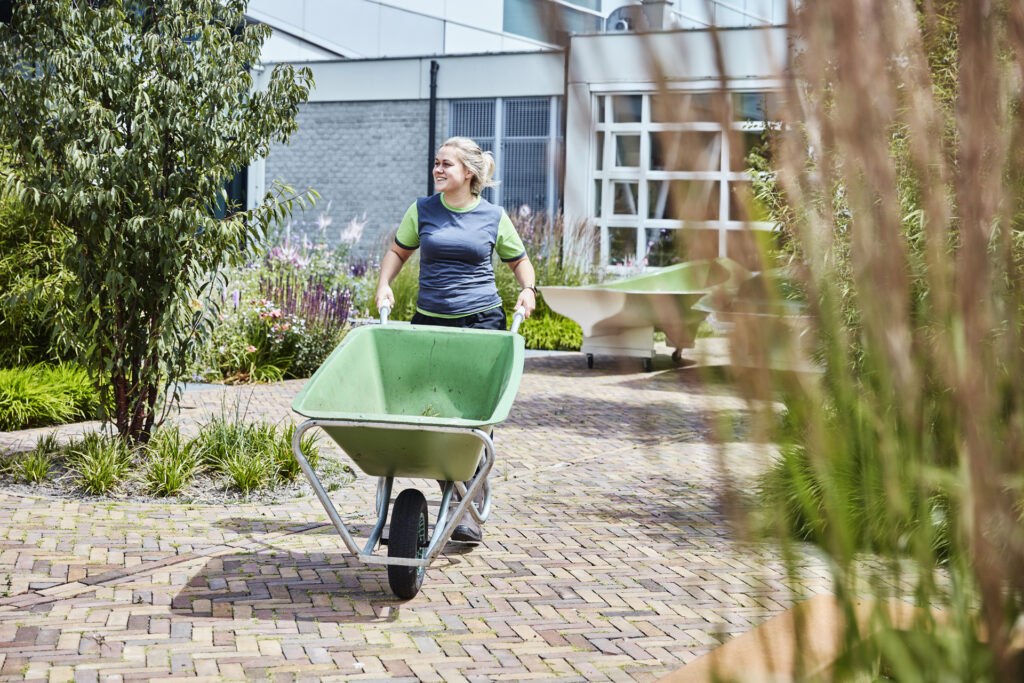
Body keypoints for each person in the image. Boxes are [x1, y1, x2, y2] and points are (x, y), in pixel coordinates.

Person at [375, 136, 537, 543]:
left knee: (475, 416)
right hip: (430, 323)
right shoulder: (422, 210)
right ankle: (455, 498)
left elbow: (519, 261)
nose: (438, 169)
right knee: (428, 410)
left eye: (446, 164)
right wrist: (384, 284)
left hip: (481, 324)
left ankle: (466, 513)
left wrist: (528, 289)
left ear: (468, 172)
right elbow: (398, 252)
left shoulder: (493, 216)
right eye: (436, 162)